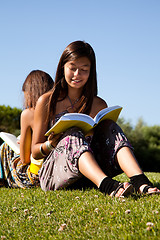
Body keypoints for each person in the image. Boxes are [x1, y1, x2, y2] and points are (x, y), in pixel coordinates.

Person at [32, 41, 160, 197]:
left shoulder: (98, 103)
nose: (77, 75)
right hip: (55, 175)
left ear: (91, 72)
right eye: (72, 68)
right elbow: (34, 151)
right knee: (73, 133)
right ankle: (108, 186)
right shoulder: (46, 101)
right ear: (62, 67)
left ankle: (141, 182)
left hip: (89, 175)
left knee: (109, 125)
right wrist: (50, 144)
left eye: (84, 70)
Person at [0, 70, 54, 188]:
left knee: (5, 147)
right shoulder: (58, 112)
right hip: (54, 173)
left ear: (29, 92)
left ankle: (2, 181)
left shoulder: (28, 114)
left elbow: (24, 159)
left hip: (34, 177)